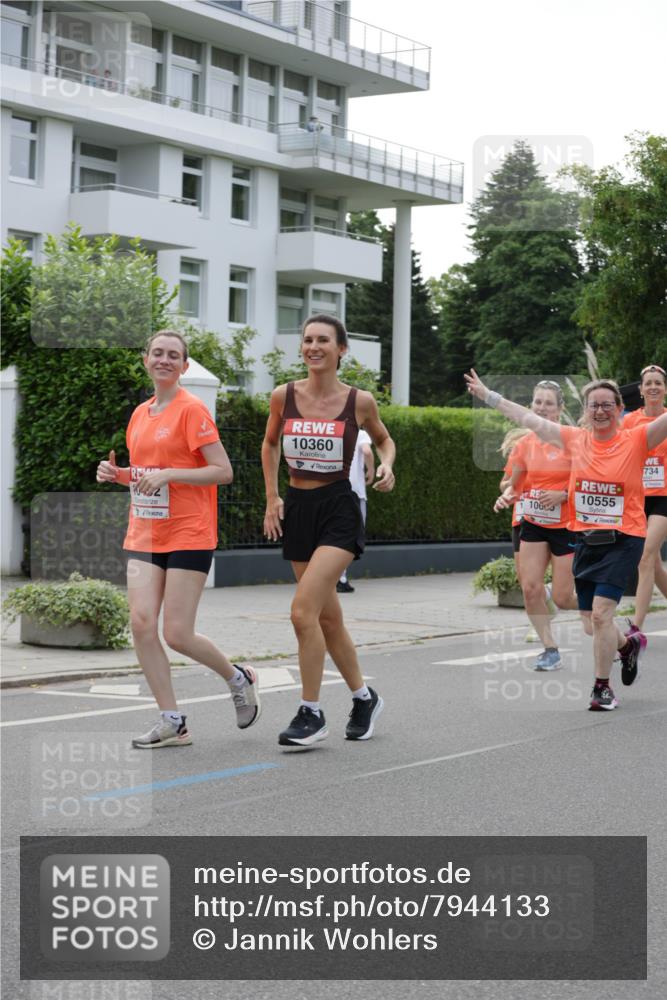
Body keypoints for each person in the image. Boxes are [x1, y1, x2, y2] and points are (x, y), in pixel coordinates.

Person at [465, 369, 667, 711]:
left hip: (624, 539)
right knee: (592, 622)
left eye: (607, 405)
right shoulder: (574, 439)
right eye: (593, 406)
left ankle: (602, 687)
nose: (600, 411)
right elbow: (526, 417)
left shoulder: (637, 439)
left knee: (602, 614)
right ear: (585, 411)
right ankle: (627, 646)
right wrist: (488, 396)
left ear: (619, 409)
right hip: (586, 540)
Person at [96, 330, 260, 748]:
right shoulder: (140, 414)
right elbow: (146, 475)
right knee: (141, 622)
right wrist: (118, 475)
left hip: (189, 531)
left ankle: (237, 677)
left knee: (178, 634)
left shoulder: (192, 410)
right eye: (157, 353)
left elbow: (223, 471)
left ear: (184, 366)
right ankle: (173, 720)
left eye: (173, 355)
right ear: (145, 360)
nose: (164, 360)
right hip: (145, 531)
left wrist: (171, 474)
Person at [262, 314, 396, 747]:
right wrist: (272, 498)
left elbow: (383, 439)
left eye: (323, 340)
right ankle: (363, 697)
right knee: (326, 616)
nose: (313, 347)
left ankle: (311, 713)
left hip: (339, 509)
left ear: (341, 349)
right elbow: (269, 444)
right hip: (299, 507)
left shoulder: (359, 401)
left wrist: (388, 464)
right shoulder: (284, 396)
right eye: (307, 340)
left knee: (302, 612)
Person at [494, 381, 578, 670]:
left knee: (565, 597)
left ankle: (599, 609)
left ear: (559, 410)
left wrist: (562, 494)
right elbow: (510, 484)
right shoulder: (525, 445)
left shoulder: (572, 441)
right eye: (537, 402)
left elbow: (591, 482)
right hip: (530, 520)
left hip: (566, 522)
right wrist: (508, 495)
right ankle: (550, 648)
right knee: (530, 588)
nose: (542, 407)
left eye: (548, 403)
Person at [623, 364, 667, 639]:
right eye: (648, 383)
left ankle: (636, 629)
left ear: (664, 389)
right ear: (640, 390)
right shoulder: (629, 422)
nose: (653, 387)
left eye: (658, 383)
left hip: (664, 496)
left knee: (645, 556)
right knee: (654, 564)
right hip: (638, 498)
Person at [337, 428, 374, 593]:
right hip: (354, 491)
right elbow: (367, 451)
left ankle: (331, 576)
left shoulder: (334, 431)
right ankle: (341, 577)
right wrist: (371, 470)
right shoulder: (360, 434)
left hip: (333, 490)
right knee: (353, 536)